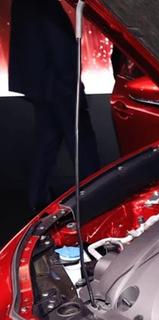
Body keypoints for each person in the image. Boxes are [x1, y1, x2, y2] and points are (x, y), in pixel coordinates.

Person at [9, 0, 100, 212]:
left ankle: (38, 199)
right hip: (59, 86)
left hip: (43, 86)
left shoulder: (23, 4)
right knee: (82, 144)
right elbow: (60, 45)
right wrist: (72, 83)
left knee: (47, 144)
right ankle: (96, 196)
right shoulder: (43, 4)